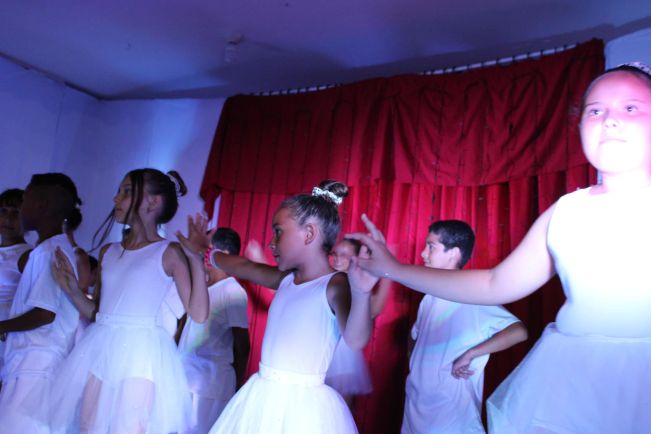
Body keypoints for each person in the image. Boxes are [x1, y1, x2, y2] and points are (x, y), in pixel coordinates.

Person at [348, 63, 651, 433]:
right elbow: (495, 283)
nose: (610, 120)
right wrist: (393, 268)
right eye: (595, 111)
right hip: (572, 384)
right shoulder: (566, 212)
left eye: (630, 108)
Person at [205, 180, 375, 434]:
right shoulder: (285, 279)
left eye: (278, 231)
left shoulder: (335, 285)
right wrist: (209, 254)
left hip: (303, 412)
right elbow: (245, 267)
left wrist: (362, 293)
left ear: (309, 234)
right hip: (262, 398)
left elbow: (355, 339)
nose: (271, 243)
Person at [49, 168, 210, 434]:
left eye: (126, 192)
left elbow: (199, 314)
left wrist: (195, 258)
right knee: (88, 427)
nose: (116, 198)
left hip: (141, 355)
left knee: (128, 427)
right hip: (101, 349)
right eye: (119, 191)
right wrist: (73, 290)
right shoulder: (108, 252)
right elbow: (99, 313)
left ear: (153, 202)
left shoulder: (167, 252)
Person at [402, 220, 526, 434]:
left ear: (453, 253)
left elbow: (519, 331)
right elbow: (415, 336)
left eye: (431, 246)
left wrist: (471, 354)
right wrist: (416, 368)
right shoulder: (429, 296)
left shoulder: (472, 295)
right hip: (416, 406)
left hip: (452, 413)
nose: (423, 253)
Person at [0, 174, 82, 432]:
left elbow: (45, 313)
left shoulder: (49, 251)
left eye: (25, 199)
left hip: (37, 366)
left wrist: (2, 326)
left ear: (42, 205)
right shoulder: (46, 249)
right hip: (28, 363)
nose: (20, 208)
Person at [178, 227, 250, 434]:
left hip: (209, 386)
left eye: (205, 249)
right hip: (185, 377)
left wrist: (236, 385)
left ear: (222, 255)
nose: (200, 253)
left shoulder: (232, 290)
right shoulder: (201, 286)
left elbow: (242, 345)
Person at [326, 238, 390, 406]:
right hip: (319, 353)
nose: (337, 259)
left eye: (344, 255)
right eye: (335, 254)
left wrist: (388, 271)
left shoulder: (355, 286)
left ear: (356, 259)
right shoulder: (325, 280)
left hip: (343, 357)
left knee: (339, 410)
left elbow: (375, 308)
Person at [0, 189, 32, 380]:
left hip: (6, 328)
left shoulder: (27, 255)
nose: (8, 219)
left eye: (16, 213)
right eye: (3, 211)